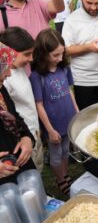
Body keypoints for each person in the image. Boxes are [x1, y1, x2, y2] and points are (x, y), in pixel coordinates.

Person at [30, 29, 78, 194]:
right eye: (55, 55)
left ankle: (64, 175)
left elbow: (69, 90)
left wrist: (77, 111)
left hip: (69, 119)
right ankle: (60, 179)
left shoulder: (64, 68)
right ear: (43, 54)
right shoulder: (37, 76)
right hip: (54, 126)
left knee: (65, 151)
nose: (59, 58)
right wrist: (50, 130)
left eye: (61, 54)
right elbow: (39, 105)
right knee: (56, 155)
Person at [1, 27, 44, 172]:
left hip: (31, 132)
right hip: (17, 142)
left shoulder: (16, 70)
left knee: (38, 165)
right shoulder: (5, 79)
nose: (31, 59)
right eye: (27, 54)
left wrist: (29, 136)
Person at [0, 42, 35, 184]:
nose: (9, 74)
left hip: (19, 163)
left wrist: (26, 138)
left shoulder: (1, 89)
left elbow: (16, 117)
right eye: (4, 69)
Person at [0, 0, 64, 39]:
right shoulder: (2, 13)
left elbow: (58, 8)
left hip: (45, 57)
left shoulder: (37, 2)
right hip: (23, 59)